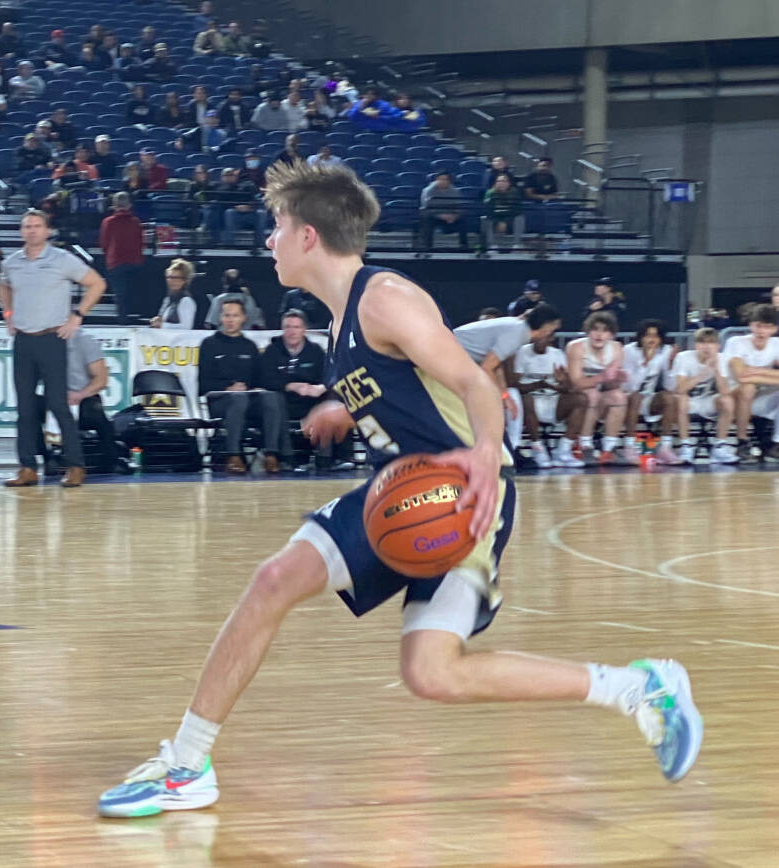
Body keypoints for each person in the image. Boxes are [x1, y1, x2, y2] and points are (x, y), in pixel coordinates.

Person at [96, 161, 700, 819]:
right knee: (280, 584)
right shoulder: (340, 318)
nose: (268, 240)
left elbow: (476, 385)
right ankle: (187, 764)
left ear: (306, 236)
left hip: (458, 493)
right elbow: (405, 383)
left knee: (430, 672)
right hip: (402, 488)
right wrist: (342, 405)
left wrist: (481, 460)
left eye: (276, 226)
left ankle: (640, 688)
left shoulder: (384, 297)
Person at [0, 210, 106, 489]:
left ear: (47, 231)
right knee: (24, 406)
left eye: (36, 226)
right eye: (26, 227)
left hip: (51, 339)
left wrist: (77, 315)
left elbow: (97, 283)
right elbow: (3, 284)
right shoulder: (12, 262)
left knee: (58, 404)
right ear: (21, 231)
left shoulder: (62, 259)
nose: (31, 231)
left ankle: (75, 465)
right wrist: (8, 313)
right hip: (23, 339)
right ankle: (28, 467)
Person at [453, 305, 562, 459]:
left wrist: (505, 395)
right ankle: (492, 452)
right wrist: (503, 396)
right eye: (552, 328)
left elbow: (496, 365)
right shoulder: (518, 332)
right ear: (544, 328)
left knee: (512, 397)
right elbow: (487, 367)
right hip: (450, 359)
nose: (552, 333)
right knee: (492, 403)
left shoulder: (518, 328)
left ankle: (511, 450)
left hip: (461, 360)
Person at [200, 298, 292, 473]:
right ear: (220, 318)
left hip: (248, 399)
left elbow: (259, 379)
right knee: (238, 399)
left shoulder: (250, 346)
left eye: (235, 315)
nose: (230, 320)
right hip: (221, 400)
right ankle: (233, 455)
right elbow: (203, 384)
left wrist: (257, 388)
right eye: (226, 315)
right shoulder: (209, 345)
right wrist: (228, 388)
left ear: (243, 318)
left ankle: (271, 454)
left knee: (271, 397)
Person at [259, 307, 328, 466]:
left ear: (304, 330)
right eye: (288, 327)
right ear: (283, 329)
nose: (292, 332)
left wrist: (318, 388)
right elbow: (264, 380)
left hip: (311, 400)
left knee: (331, 399)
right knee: (274, 401)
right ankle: (286, 457)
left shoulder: (316, 352)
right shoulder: (272, 351)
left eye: (296, 327)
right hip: (283, 401)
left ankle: (326, 458)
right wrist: (290, 385)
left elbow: (327, 377)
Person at [508, 329, 585, 468]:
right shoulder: (522, 353)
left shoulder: (557, 354)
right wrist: (539, 384)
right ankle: (538, 449)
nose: (540, 340)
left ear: (550, 339)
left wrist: (563, 381)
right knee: (526, 399)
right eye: (538, 337)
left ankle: (563, 450)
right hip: (529, 403)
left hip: (553, 402)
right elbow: (514, 385)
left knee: (581, 399)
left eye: (545, 337)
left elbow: (568, 389)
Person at [563, 311, 628, 463]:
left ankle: (609, 448)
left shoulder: (617, 348)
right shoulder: (576, 347)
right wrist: (602, 377)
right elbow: (576, 382)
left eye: (605, 330)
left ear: (611, 334)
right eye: (595, 329)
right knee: (592, 394)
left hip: (600, 396)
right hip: (575, 398)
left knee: (619, 396)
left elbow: (610, 385)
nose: (599, 334)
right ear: (588, 331)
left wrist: (618, 379)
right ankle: (585, 445)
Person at [721, 303, 779, 461]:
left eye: (767, 326)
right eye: (758, 325)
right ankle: (742, 441)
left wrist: (758, 370)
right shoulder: (736, 342)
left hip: (761, 394)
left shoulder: (776, 345)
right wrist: (771, 375)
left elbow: (748, 373)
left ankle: (776, 444)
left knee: (751, 386)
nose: (761, 331)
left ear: (774, 329)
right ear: (751, 325)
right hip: (733, 394)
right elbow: (741, 376)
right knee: (748, 387)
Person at [668, 327, 736, 464]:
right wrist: (701, 375)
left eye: (711, 343)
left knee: (727, 401)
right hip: (688, 401)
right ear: (695, 345)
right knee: (681, 399)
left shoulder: (722, 359)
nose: (706, 347)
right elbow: (680, 389)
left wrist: (716, 369)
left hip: (708, 401)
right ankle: (686, 445)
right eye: (702, 343)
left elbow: (724, 391)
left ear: (717, 346)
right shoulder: (684, 357)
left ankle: (720, 446)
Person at [619, 319, 678, 465]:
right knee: (636, 396)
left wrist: (670, 367)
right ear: (640, 337)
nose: (652, 339)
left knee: (669, 397)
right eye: (648, 335)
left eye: (656, 336)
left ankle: (665, 447)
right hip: (626, 398)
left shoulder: (665, 351)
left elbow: (669, 386)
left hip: (648, 398)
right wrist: (645, 363)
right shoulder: (629, 351)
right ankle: (629, 445)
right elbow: (630, 386)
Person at [60, 326, 116, 473]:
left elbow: (102, 380)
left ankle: (112, 459)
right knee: (30, 411)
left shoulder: (85, 340)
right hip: (57, 397)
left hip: (84, 398)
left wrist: (79, 395)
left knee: (94, 411)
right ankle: (46, 460)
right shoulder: (43, 342)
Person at [99, 191, 144, 324]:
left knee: (120, 294)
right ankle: (133, 318)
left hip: (115, 262)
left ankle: (122, 321)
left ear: (114, 205)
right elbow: (140, 242)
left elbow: (104, 243)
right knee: (131, 292)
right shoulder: (136, 222)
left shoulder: (107, 222)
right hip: (134, 261)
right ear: (129, 205)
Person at [418, 171, 469, 250]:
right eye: (440, 179)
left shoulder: (455, 191)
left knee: (463, 220)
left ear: (449, 181)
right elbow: (426, 208)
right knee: (427, 219)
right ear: (436, 180)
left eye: (445, 180)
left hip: (451, 217)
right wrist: (441, 216)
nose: (443, 181)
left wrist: (455, 216)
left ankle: (464, 246)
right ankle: (427, 246)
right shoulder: (428, 191)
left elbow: (460, 207)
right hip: (434, 216)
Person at [150, 258, 197, 330]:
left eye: (176, 278)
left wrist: (163, 325)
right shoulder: (167, 300)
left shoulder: (186, 301)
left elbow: (186, 327)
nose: (171, 281)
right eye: (169, 277)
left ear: (184, 280)